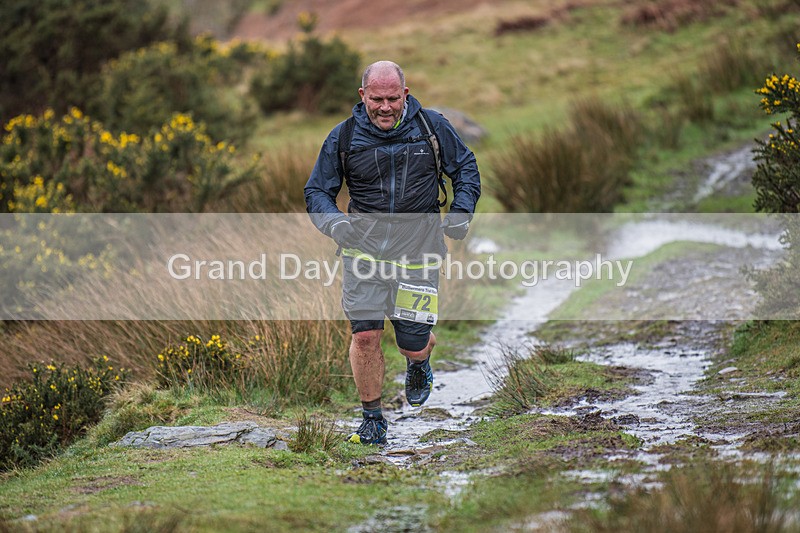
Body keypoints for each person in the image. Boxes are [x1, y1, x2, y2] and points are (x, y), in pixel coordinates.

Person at [304, 60, 481, 445]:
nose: (385, 107)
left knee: (411, 341)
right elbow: (317, 191)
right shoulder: (344, 136)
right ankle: (372, 418)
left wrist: (461, 211)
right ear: (362, 96)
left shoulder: (431, 128)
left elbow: (465, 168)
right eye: (376, 99)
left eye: (392, 99)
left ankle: (419, 361)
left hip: (419, 252)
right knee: (365, 336)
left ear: (406, 93)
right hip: (362, 254)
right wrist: (335, 224)